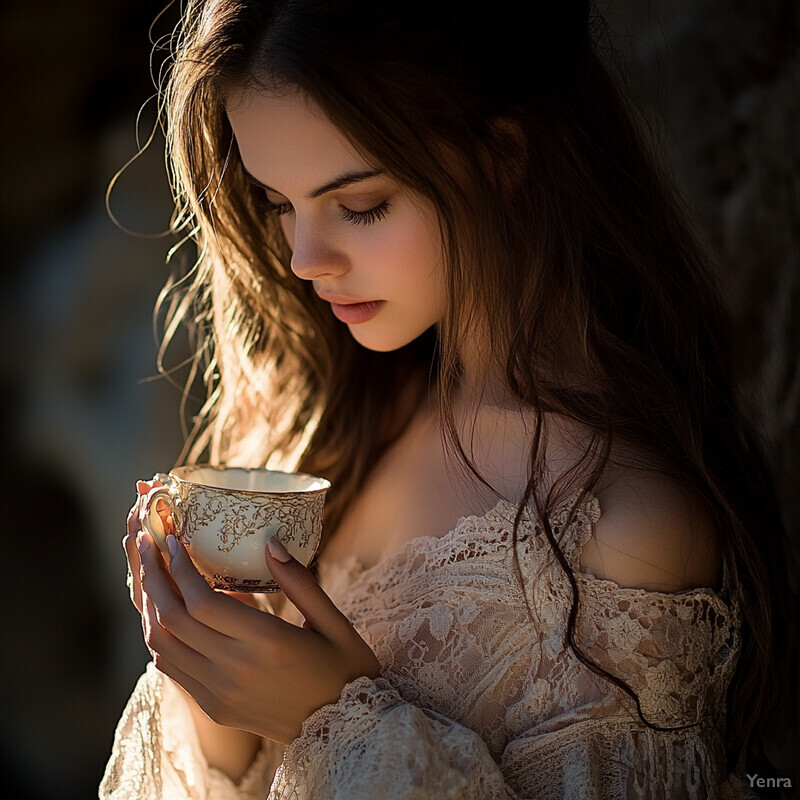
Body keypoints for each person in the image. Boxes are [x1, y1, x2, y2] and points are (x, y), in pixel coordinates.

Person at [99, 1, 791, 797]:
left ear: (500, 152)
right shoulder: (346, 428)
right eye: (279, 205)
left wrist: (331, 718)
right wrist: (211, 679)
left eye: (360, 205)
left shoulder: (620, 525)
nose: (302, 259)